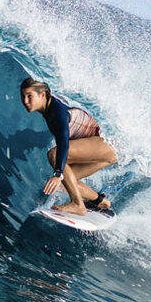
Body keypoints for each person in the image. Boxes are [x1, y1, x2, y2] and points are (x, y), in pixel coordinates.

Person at [19, 77, 117, 215]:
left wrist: (58, 173)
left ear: (42, 95)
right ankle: (100, 202)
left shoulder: (56, 113)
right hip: (101, 152)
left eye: (29, 96)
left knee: (53, 155)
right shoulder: (49, 108)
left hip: (105, 147)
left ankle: (78, 205)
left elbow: (63, 143)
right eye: (23, 96)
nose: (25, 101)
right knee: (63, 185)